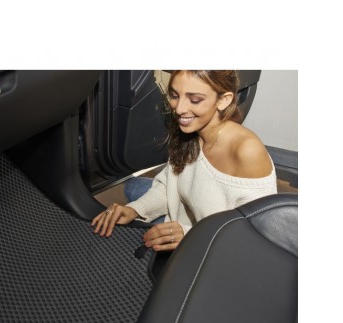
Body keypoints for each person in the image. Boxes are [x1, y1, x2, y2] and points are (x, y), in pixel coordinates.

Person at [91, 70, 277, 251]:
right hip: (184, 216)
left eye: (194, 100)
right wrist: (136, 209)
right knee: (132, 187)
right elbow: (170, 185)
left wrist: (188, 235)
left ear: (223, 100)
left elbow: (255, 236)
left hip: (214, 243)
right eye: (174, 95)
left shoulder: (247, 151)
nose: (179, 109)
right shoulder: (192, 130)